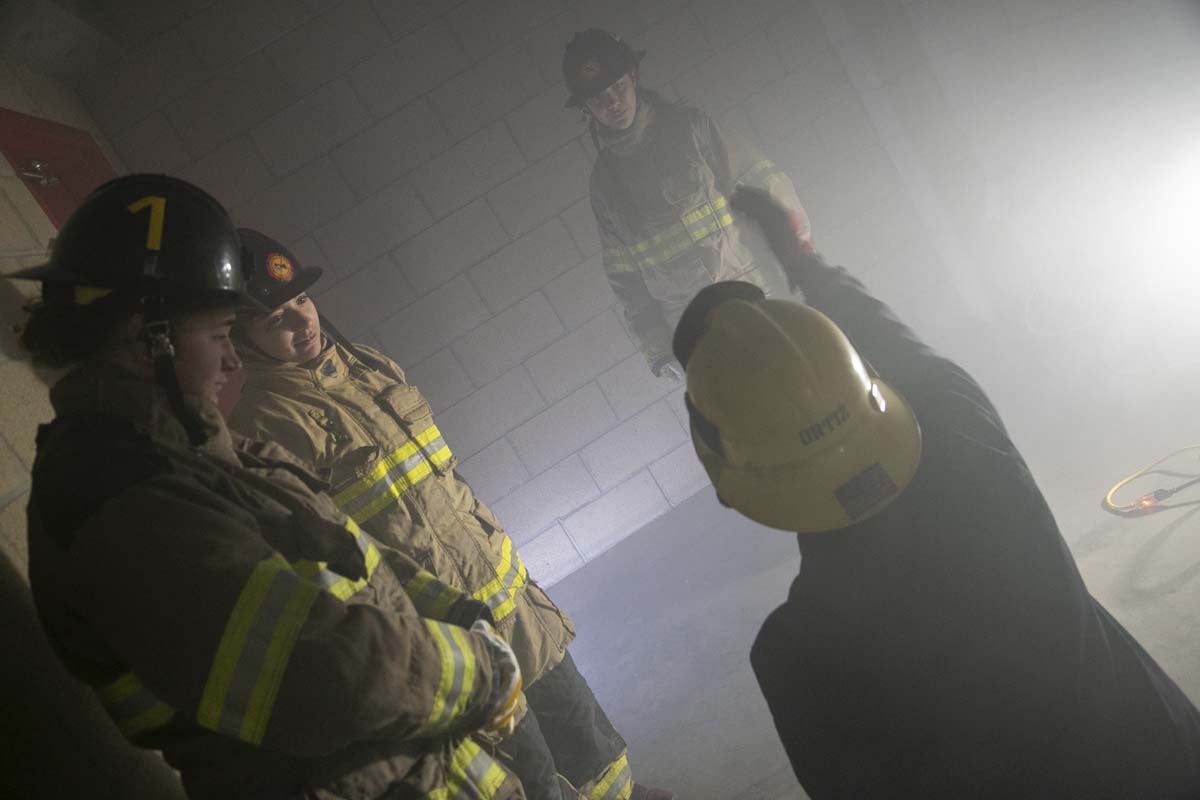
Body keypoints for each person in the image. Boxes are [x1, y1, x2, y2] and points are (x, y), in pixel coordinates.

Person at [672, 187, 1200, 799]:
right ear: (862, 382)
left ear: (727, 473)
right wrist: (803, 261)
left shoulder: (799, 660)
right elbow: (896, 341)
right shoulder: (974, 449)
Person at [12, 174, 527, 800]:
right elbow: (321, 673)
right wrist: (483, 676)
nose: (232, 362)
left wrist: (461, 615)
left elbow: (351, 552)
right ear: (146, 339)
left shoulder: (202, 457)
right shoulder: (117, 506)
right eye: (220, 334)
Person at [225, 229, 672, 800]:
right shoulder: (264, 427)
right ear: (242, 341)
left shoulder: (370, 367)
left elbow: (448, 489)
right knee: (531, 774)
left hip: (514, 607)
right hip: (452, 639)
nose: (302, 323)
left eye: (302, 303)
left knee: (594, 747)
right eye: (276, 321)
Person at [563, 29, 813, 380]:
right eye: (600, 98)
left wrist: (797, 257)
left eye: (618, 87)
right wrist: (658, 349)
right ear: (586, 109)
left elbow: (763, 186)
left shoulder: (690, 129)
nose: (614, 104)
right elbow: (625, 280)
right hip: (698, 332)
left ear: (633, 78)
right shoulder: (605, 184)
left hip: (757, 297)